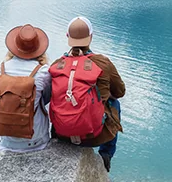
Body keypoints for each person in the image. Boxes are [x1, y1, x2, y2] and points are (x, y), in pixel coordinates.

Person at [47, 17, 125, 172]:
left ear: (67, 37)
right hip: (93, 136)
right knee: (115, 103)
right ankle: (106, 154)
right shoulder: (102, 62)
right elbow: (120, 92)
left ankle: (56, 139)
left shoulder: (56, 65)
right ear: (91, 36)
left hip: (62, 134)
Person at [0, 24, 51, 153]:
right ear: (38, 48)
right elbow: (46, 99)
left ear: (14, 47)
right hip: (35, 141)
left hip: (4, 139)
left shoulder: (1, 68)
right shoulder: (43, 71)